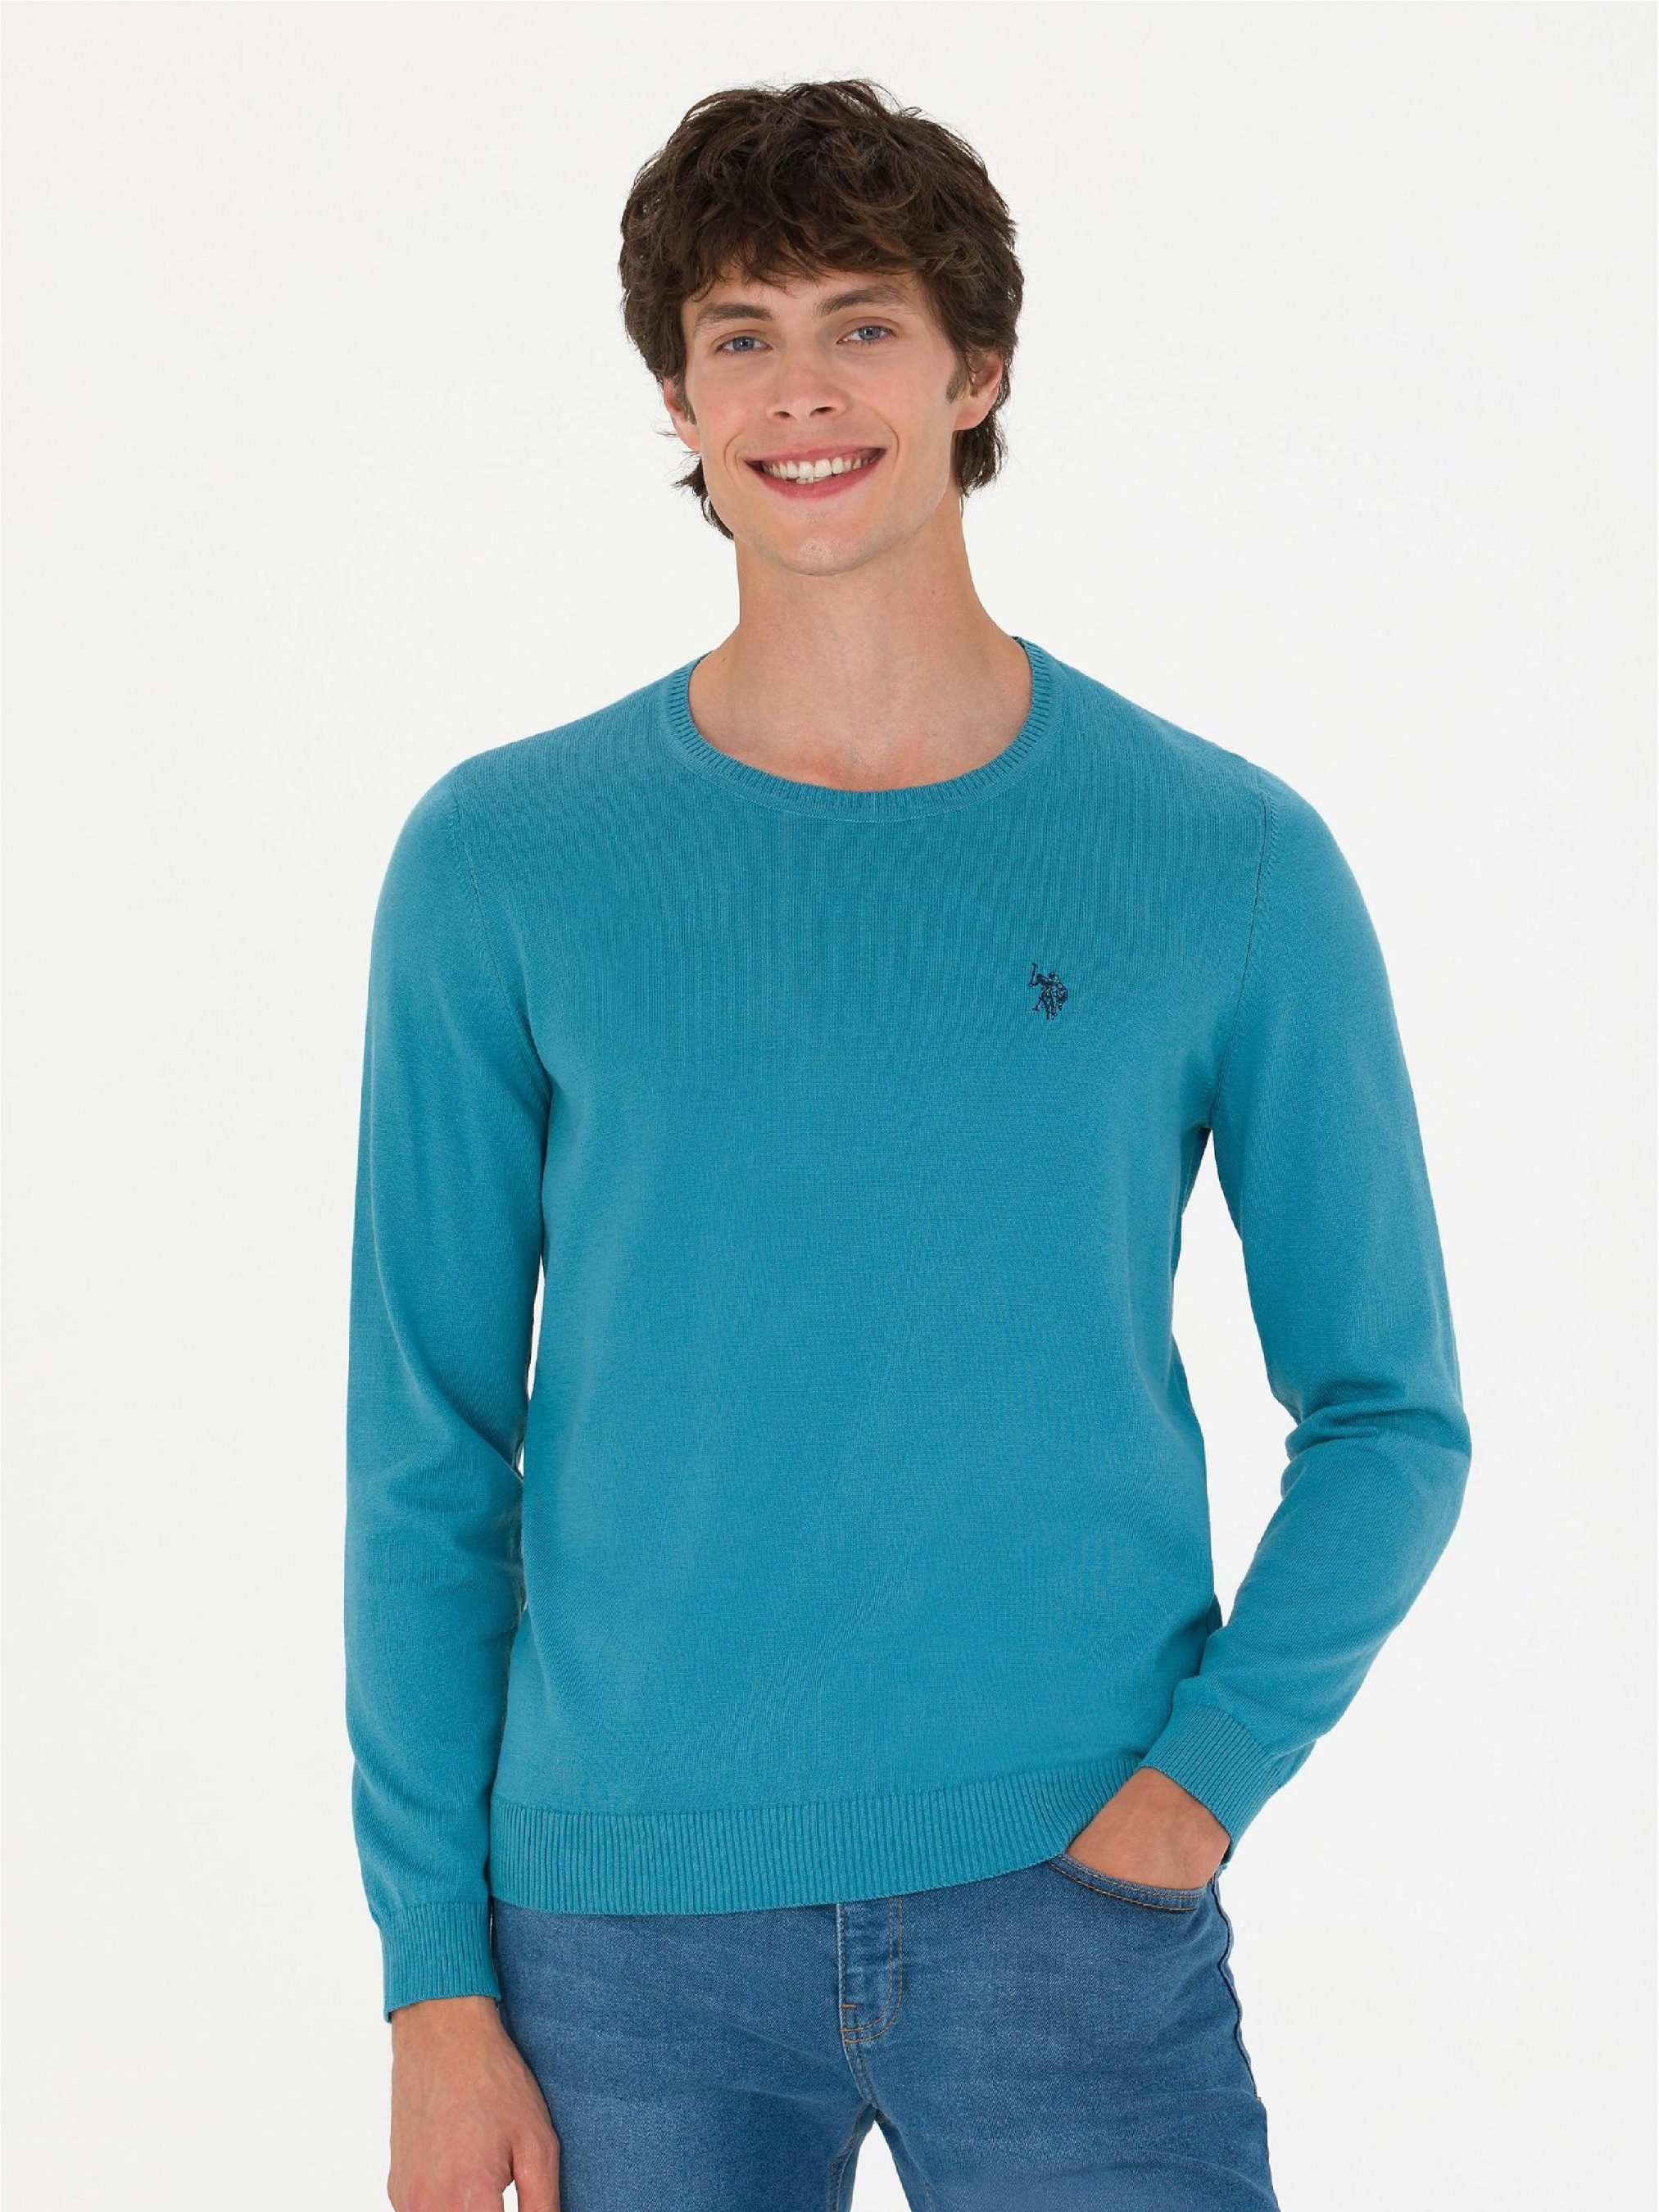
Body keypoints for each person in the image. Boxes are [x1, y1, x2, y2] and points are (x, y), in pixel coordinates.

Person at [344, 76, 1471, 2212]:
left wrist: (1195, 1789)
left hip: (1073, 1902)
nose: (802, 390)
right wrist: (431, 1980)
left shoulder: (1222, 855)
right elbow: (426, 1450)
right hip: (615, 1945)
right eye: (740, 334)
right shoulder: (504, 858)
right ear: (676, 397)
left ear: (977, 369)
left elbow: (1390, 1413)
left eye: (862, 323)